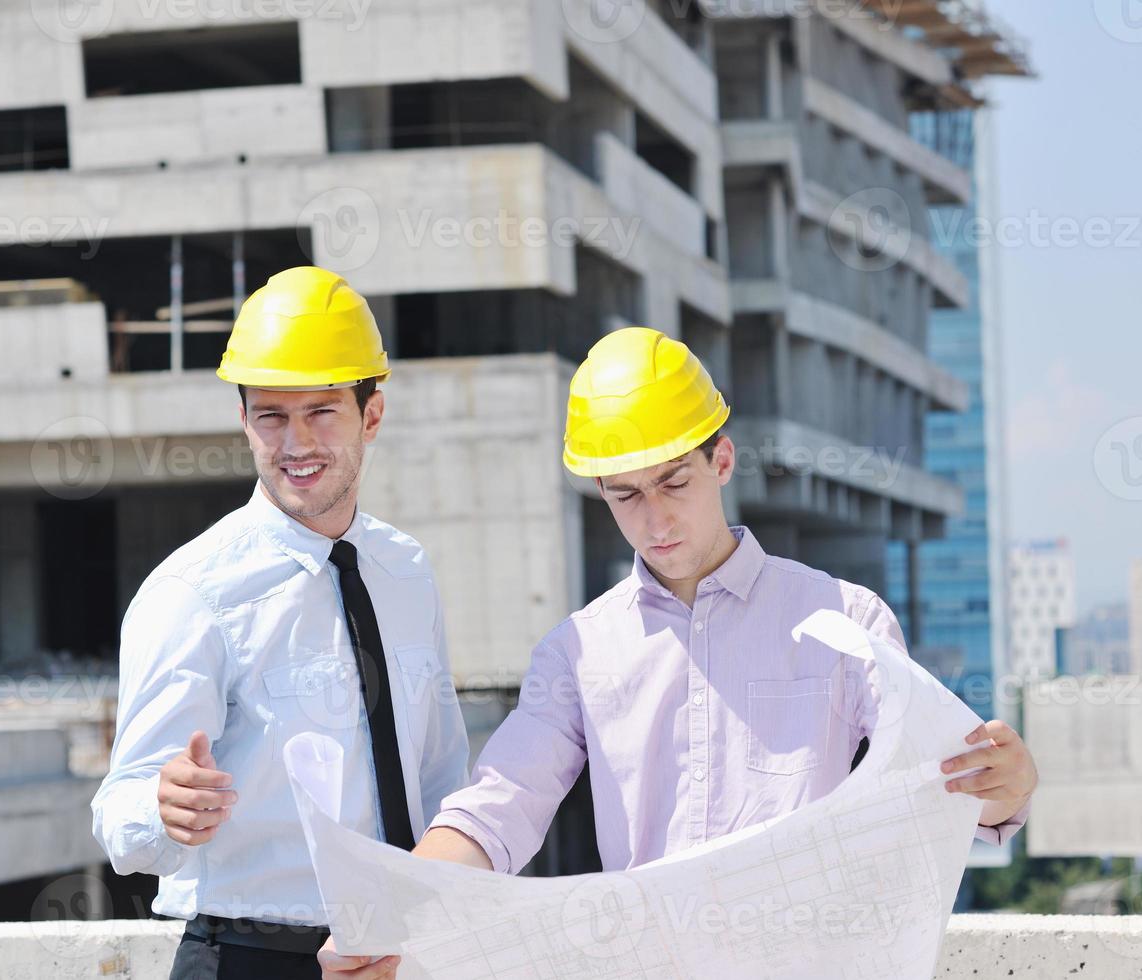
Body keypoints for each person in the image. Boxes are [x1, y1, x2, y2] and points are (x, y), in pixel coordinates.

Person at [321, 326, 1037, 978]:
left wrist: (1006, 786)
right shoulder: (577, 652)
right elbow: (497, 809)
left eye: (674, 481)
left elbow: (934, 780)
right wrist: (392, 914)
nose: (656, 519)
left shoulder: (844, 619)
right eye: (626, 494)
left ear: (721, 459)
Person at [91, 266, 469, 980]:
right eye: (271, 415)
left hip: (402, 953)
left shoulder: (405, 571)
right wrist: (163, 809)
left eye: (322, 411)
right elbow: (119, 818)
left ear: (373, 415)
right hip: (249, 958)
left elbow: (440, 769)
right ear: (243, 420)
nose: (295, 443)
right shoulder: (191, 593)